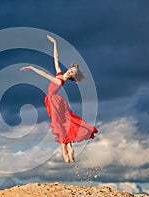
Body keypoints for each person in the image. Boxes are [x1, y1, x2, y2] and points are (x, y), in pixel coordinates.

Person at [20, 35, 98, 164]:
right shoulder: (60, 74)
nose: (69, 71)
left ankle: (66, 152)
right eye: (70, 69)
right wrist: (55, 43)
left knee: (59, 126)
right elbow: (56, 59)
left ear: (72, 75)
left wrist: (33, 68)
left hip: (54, 101)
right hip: (56, 101)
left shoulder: (59, 79)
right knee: (62, 125)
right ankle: (69, 149)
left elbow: (45, 74)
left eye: (71, 71)